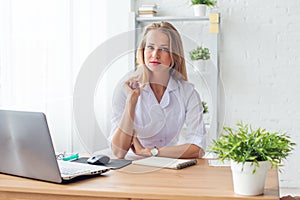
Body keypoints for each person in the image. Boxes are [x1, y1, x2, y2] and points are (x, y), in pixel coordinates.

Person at [108, 21, 206, 159]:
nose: (155, 54)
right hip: (132, 166)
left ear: (174, 55)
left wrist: (151, 152)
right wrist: (132, 101)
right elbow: (118, 152)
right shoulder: (126, 88)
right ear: (142, 51)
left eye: (164, 49)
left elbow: (198, 147)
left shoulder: (187, 93)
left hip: (170, 164)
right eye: (150, 47)